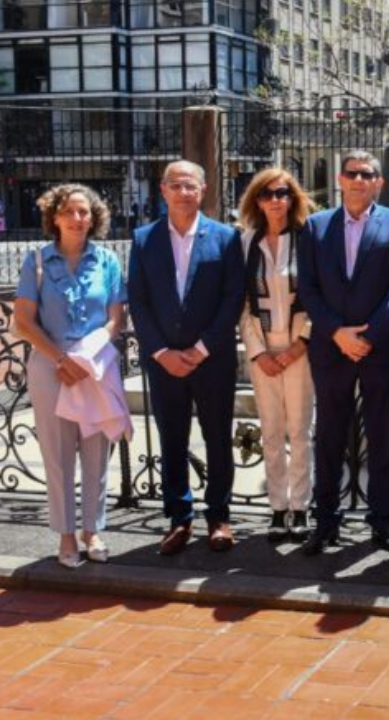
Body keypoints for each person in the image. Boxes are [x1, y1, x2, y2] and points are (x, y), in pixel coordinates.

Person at [297, 150, 389, 555]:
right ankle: (325, 521)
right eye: (352, 173)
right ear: (340, 179)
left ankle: (382, 523)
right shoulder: (314, 227)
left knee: (382, 437)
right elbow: (308, 289)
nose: (360, 180)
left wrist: (368, 335)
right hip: (331, 349)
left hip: (379, 349)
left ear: (379, 182)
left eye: (368, 174)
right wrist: (337, 333)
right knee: (328, 437)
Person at [128, 161, 245, 555]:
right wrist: (161, 352)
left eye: (190, 185)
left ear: (203, 189)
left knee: (217, 438)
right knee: (172, 439)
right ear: (163, 190)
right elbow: (138, 300)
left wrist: (200, 348)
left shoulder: (226, 238)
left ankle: (219, 516)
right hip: (164, 362)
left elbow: (233, 298)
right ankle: (179, 518)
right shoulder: (143, 239)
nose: (183, 192)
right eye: (175, 185)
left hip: (212, 358)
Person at [14, 184, 127, 567]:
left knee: (96, 452)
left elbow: (116, 318)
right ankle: (65, 535)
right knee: (58, 455)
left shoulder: (108, 260)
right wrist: (61, 359)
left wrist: (87, 358)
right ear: (55, 217)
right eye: (71, 212)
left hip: (95, 367)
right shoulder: (37, 262)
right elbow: (24, 323)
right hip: (51, 368)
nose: (79, 219)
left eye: (85, 212)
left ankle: (92, 530)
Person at [236, 168, 317, 543]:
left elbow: (319, 295)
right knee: (271, 431)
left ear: (293, 197)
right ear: (257, 200)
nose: (275, 201)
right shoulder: (246, 242)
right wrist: (257, 353)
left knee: (300, 430)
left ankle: (300, 507)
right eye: (267, 194)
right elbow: (241, 305)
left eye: (283, 193)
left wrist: (301, 343)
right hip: (263, 350)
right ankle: (277, 508)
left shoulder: (308, 238)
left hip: (300, 349)